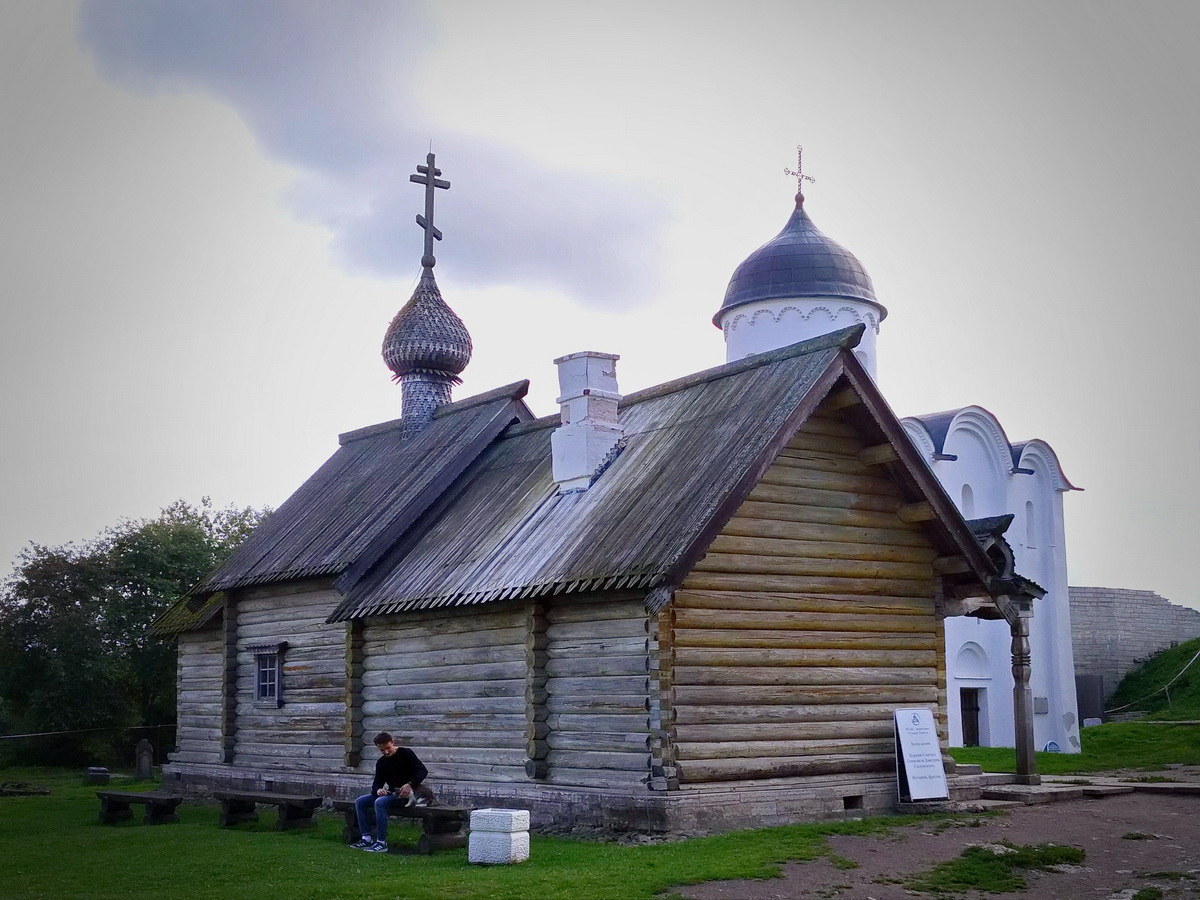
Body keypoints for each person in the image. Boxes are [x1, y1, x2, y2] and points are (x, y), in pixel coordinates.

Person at [351, 732, 438, 852]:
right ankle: (366, 838)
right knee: (360, 801)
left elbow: (422, 771)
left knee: (380, 803)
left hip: (408, 795)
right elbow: (376, 785)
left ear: (393, 742)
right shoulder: (381, 763)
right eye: (382, 750)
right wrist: (378, 790)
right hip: (392, 793)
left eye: (388, 748)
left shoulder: (406, 753)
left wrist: (410, 784)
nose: (386, 752)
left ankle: (381, 842)